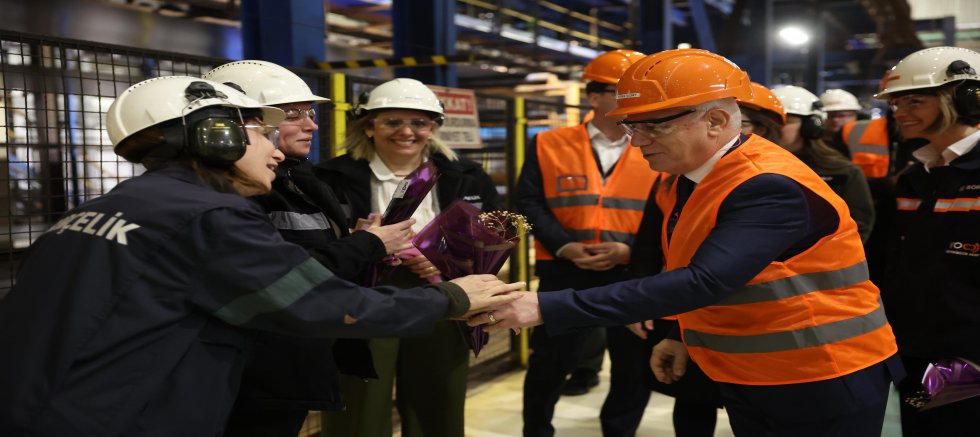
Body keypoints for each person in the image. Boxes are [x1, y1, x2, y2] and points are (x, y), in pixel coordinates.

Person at [0, 76, 523, 436]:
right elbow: (325, 306)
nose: (277, 149)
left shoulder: (102, 209)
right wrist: (452, 297)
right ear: (217, 138)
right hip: (121, 416)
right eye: (262, 133)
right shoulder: (208, 217)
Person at [474, 48, 902, 436]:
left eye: (654, 126)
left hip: (821, 373)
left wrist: (543, 306)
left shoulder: (766, 185)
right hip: (758, 372)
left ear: (716, 121)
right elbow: (702, 268)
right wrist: (681, 333)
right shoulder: (690, 178)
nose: (638, 142)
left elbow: (703, 280)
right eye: (631, 127)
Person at [203, 60, 408, 436]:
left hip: (294, 358)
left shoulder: (303, 179)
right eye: (293, 115)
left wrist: (353, 239)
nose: (311, 125)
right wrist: (367, 244)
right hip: (255, 369)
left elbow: (303, 251)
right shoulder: (239, 191)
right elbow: (281, 277)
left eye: (310, 114)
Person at [316, 77, 502, 437]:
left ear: (433, 128)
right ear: (369, 126)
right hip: (363, 295)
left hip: (445, 291)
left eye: (419, 122)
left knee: (439, 400)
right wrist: (358, 242)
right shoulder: (330, 177)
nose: (407, 132)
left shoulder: (466, 176)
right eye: (392, 121)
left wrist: (445, 260)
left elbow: (492, 236)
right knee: (360, 404)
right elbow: (318, 243)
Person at [515, 48, 658, 437]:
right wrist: (566, 247)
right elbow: (529, 201)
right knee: (549, 362)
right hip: (565, 270)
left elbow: (670, 208)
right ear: (593, 96)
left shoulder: (657, 144)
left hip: (633, 271)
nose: (636, 101)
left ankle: (619, 431)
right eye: (623, 92)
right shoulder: (548, 142)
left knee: (632, 365)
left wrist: (632, 249)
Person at [874, 46, 980, 436]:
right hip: (915, 353)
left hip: (969, 360)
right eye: (896, 102)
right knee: (924, 425)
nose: (900, 112)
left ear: (966, 99)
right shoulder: (914, 177)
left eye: (914, 101)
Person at [772, 85, 876, 243]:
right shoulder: (754, 166)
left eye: (785, 121)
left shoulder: (842, 171)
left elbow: (858, 225)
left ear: (811, 126)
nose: (774, 128)